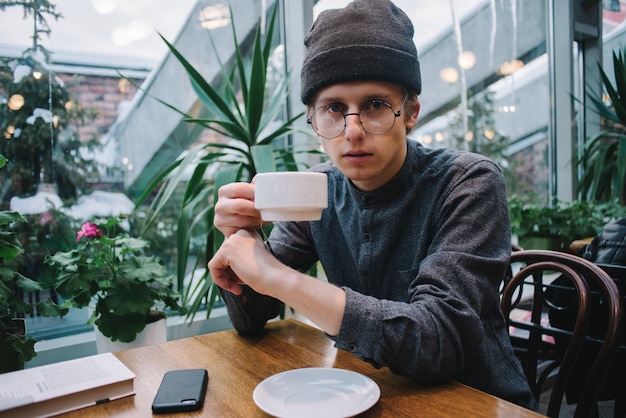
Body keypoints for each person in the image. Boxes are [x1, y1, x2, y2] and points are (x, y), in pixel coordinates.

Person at [208, 0, 537, 411]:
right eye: (332, 109)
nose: (353, 131)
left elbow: (438, 342)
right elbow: (253, 319)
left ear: (411, 111)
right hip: (362, 393)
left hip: (476, 401)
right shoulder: (316, 188)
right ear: (314, 119)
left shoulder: (468, 181)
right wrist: (243, 241)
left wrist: (279, 277)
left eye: (375, 106)